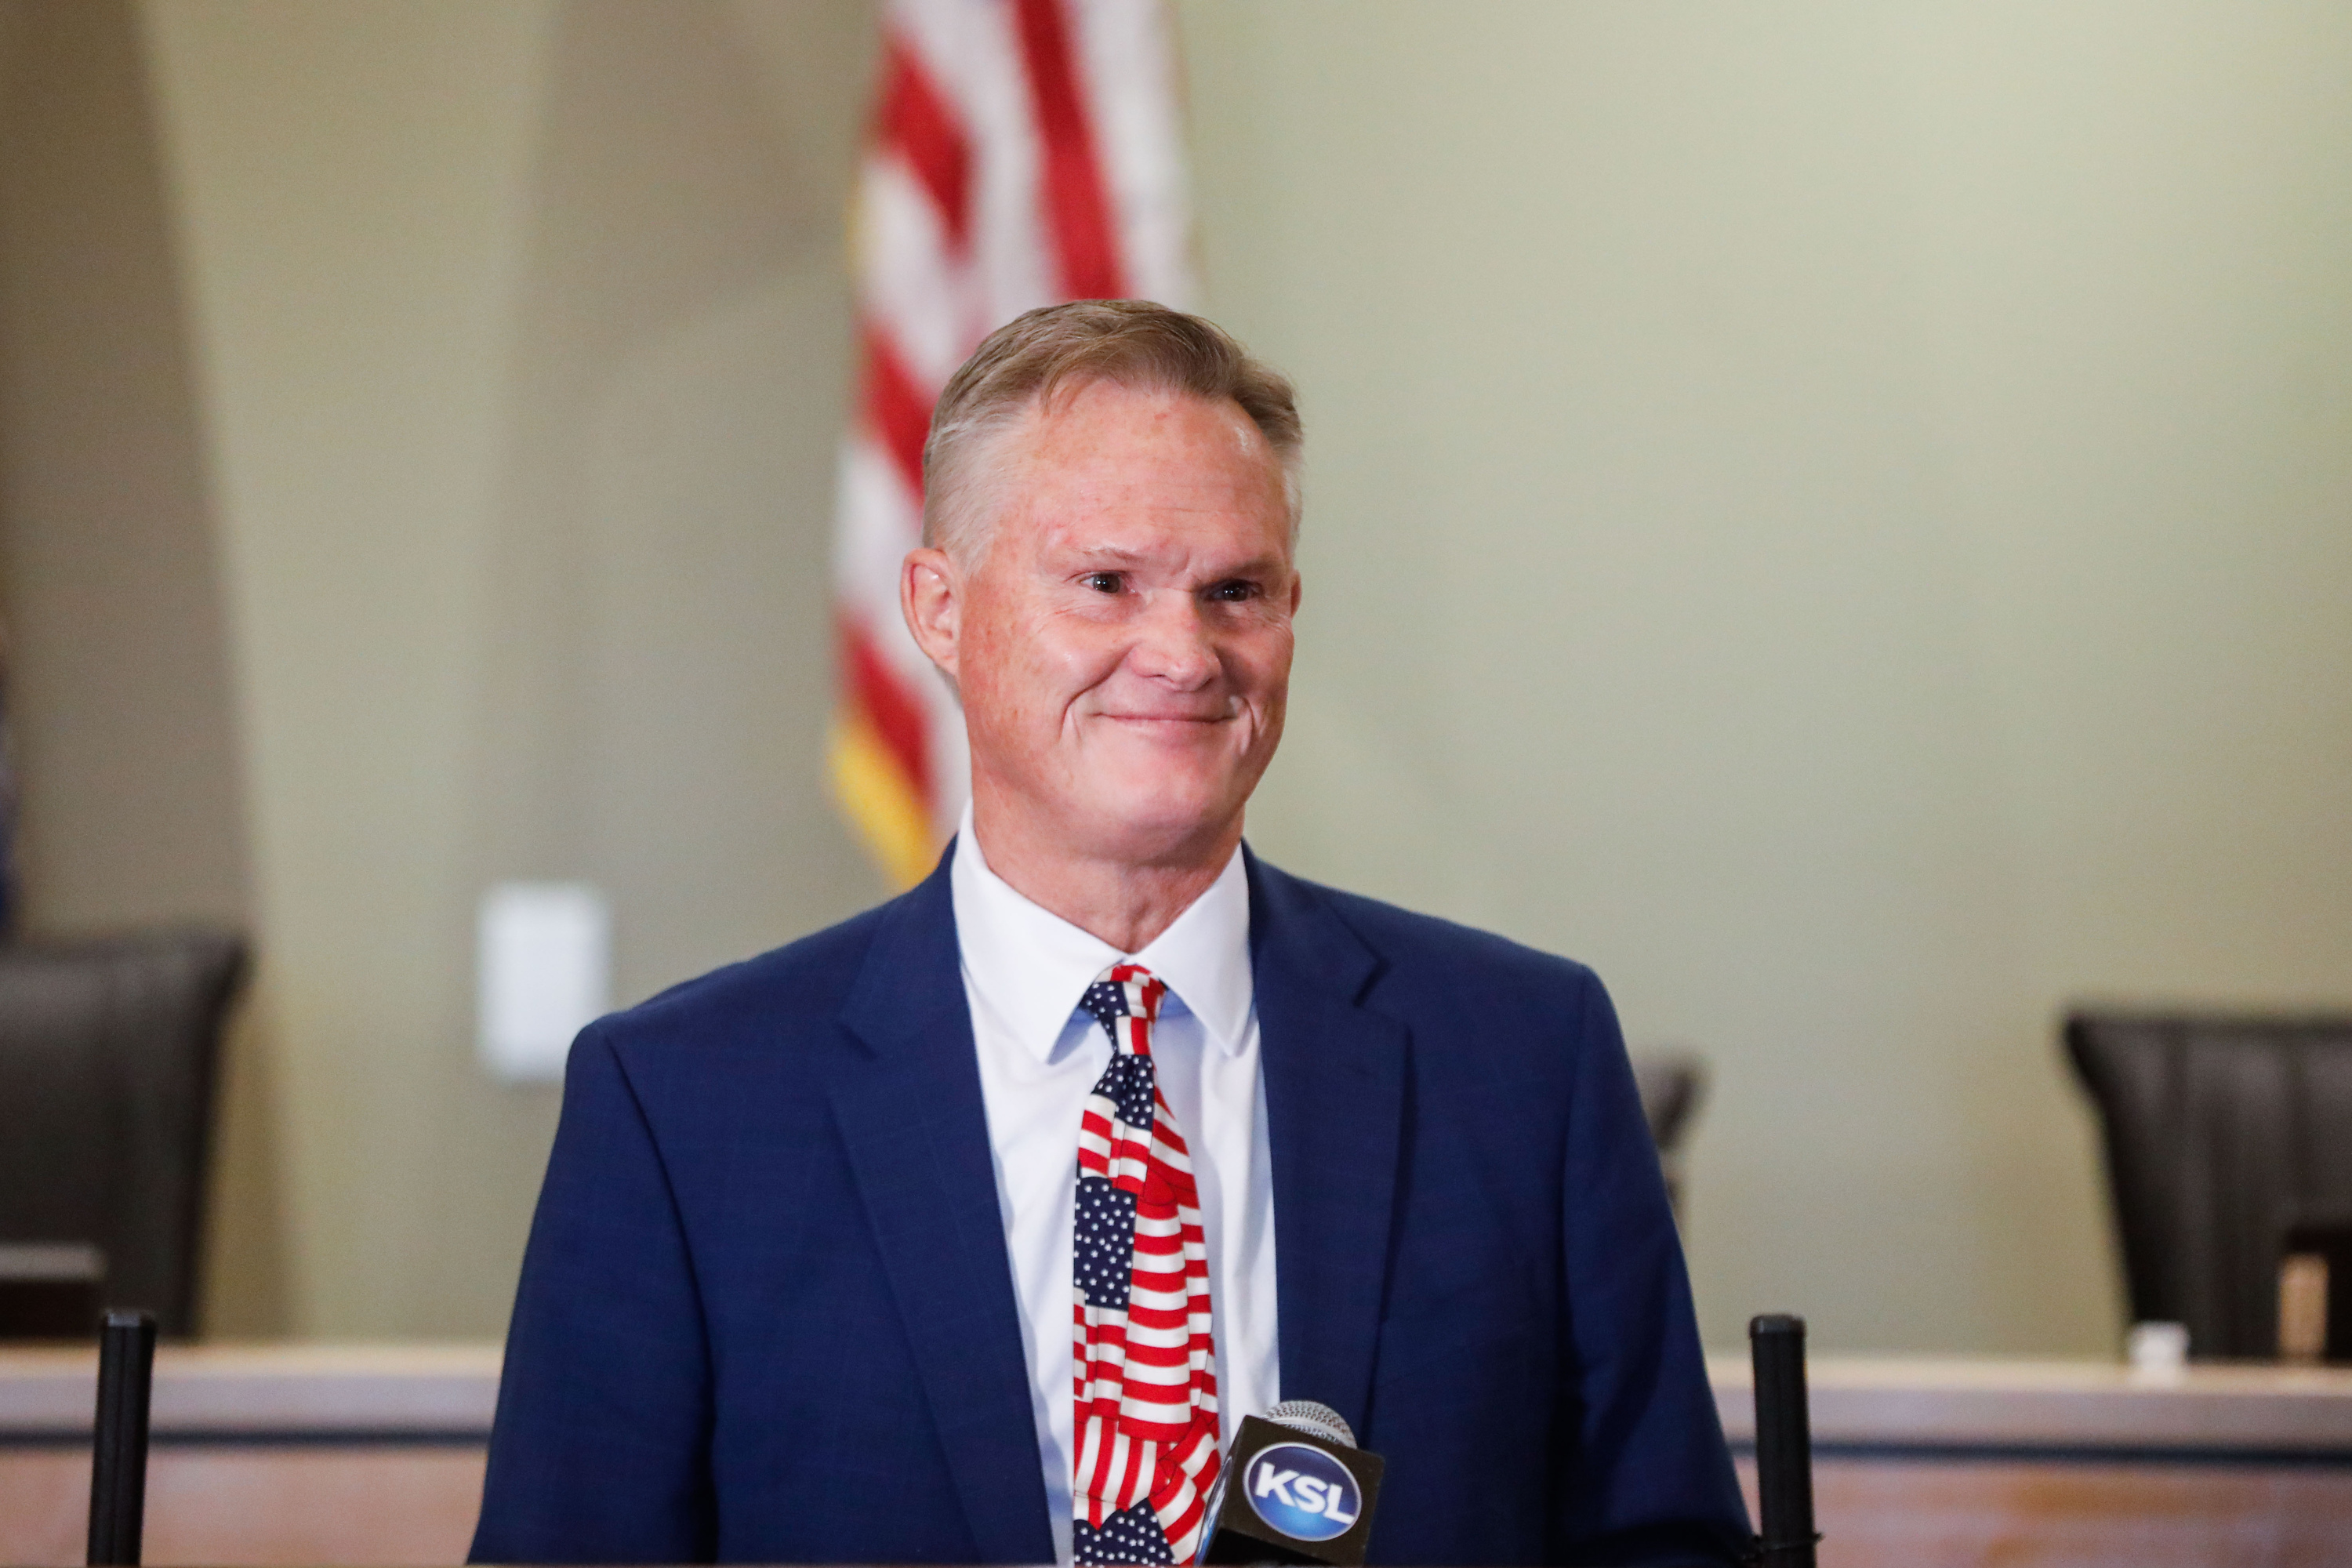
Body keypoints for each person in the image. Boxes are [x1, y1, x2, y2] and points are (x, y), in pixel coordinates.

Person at [470, 302, 1749, 1567]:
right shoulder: (684, 1106)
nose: (1182, 654)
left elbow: (1662, 1547)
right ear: (938, 609)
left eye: (1235, 591)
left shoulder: (1524, 1057)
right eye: (1105, 584)